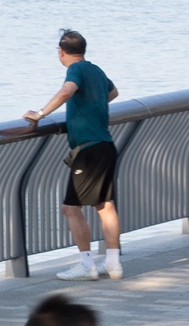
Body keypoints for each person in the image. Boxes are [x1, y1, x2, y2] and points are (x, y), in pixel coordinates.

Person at [25, 29, 124, 280]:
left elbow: (66, 92)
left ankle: (87, 265)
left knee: (70, 208)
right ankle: (113, 262)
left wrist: (40, 114)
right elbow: (113, 93)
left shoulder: (76, 70)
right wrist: (91, 107)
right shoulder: (96, 70)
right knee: (105, 205)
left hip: (88, 150)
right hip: (105, 145)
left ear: (61, 52)